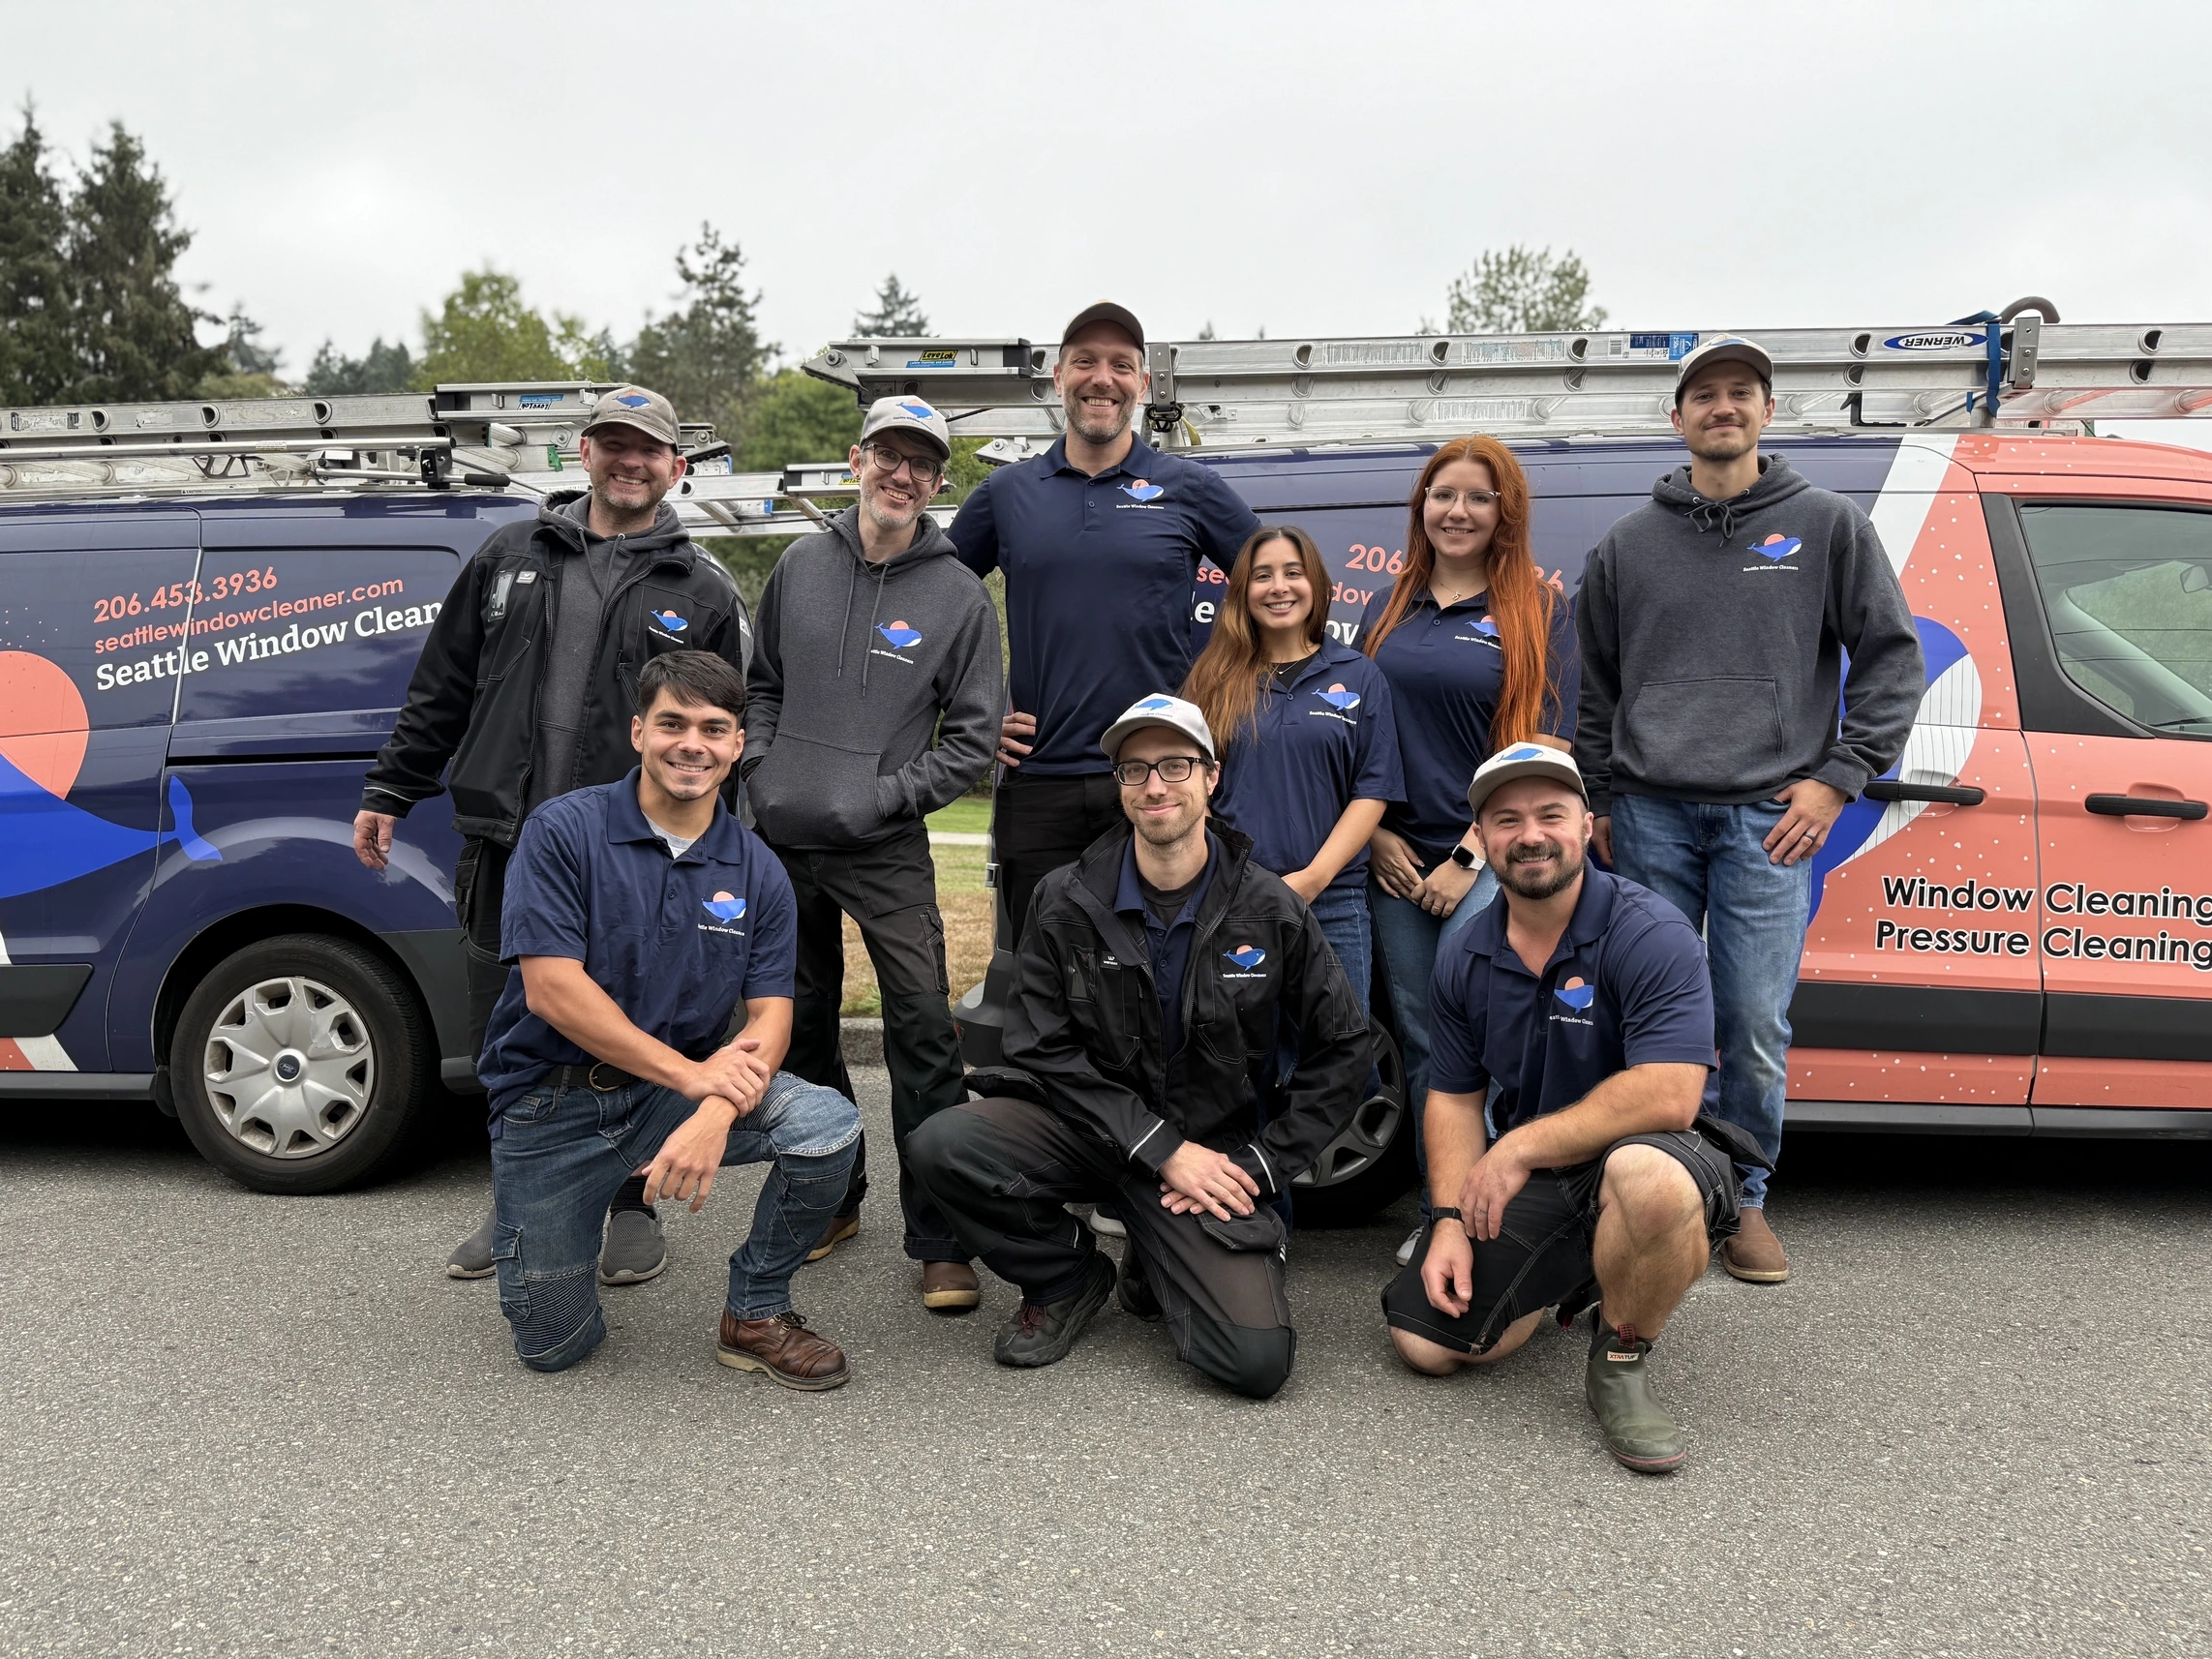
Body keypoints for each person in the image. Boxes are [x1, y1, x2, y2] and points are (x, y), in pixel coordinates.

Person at [354, 384, 752, 1286]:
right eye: (613, 443)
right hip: (509, 842)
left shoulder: (702, 586)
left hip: (633, 855)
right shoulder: (508, 556)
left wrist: (719, 849)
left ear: (675, 468)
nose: (629, 461)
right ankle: (515, 1198)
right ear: (585, 452)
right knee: (506, 1033)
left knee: (636, 1027)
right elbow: (442, 685)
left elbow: (732, 727)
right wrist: (392, 787)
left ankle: (631, 1202)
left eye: (647, 449)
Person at [1574, 336, 1921, 1284]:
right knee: (1648, 1013)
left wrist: (1837, 776)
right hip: (1648, 812)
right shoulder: (1626, 545)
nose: (1721, 407)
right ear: (1676, 417)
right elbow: (1596, 685)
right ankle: (1652, 1183)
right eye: (1703, 394)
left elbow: (1890, 658)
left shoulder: (1826, 524)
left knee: (1753, 1021)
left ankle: (1744, 1197)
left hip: (1768, 821)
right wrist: (1600, 795)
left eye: (1739, 392)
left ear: (1766, 411)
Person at [908, 695, 1370, 1399]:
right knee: (943, 1143)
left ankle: (1155, 1254)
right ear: (1120, 786)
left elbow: (1344, 1050)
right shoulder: (1065, 899)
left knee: (1254, 1362)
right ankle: (1065, 1276)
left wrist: (1260, 1165)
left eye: (1175, 765)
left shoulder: (1270, 907)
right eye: (1135, 769)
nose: (1155, 786)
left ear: (1210, 778)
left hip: (1209, 1156)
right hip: (1089, 1133)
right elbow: (1038, 1046)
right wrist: (1157, 1147)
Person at [475, 649, 861, 1383]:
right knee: (555, 1346)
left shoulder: (757, 870)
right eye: (672, 723)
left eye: (713, 729)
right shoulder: (563, 831)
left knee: (827, 1125)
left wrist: (713, 1109)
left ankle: (755, 1311)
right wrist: (694, 1078)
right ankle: (538, 1213)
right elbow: (552, 990)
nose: (692, 744)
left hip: (670, 1098)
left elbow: (770, 1020)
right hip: (552, 1104)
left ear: (737, 744)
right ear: (638, 732)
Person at [1380, 744, 1762, 1472]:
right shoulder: (1464, 955)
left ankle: (1620, 1356)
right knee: (1427, 1344)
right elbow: (1454, 1098)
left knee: (1648, 1183)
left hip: (1660, 1147)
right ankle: (1582, 1268)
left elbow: (1670, 1091)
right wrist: (1449, 1220)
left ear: (1586, 826)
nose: (1530, 835)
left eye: (1550, 815)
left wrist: (1516, 1148)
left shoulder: (1648, 931)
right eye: (1506, 820)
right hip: (1550, 1170)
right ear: (1481, 838)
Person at [742, 395, 1002, 1311]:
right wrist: (760, 769)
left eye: (921, 464)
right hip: (781, 843)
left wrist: (881, 798)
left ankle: (941, 1237)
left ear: (937, 484)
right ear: (856, 461)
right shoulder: (798, 565)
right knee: (800, 1029)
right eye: (888, 455)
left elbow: (970, 742)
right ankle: (833, 1198)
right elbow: (762, 688)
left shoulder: (958, 595)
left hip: (885, 849)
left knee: (923, 1035)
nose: (902, 475)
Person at [950, 301, 1260, 946]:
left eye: (1121, 365)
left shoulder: (1188, 486)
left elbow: (1280, 588)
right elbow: (932, 602)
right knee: (1044, 976)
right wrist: (969, 716)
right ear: (1057, 376)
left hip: (1157, 780)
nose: (1102, 378)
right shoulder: (1007, 493)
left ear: (1142, 384)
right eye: (1085, 362)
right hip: (1039, 784)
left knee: (1162, 969)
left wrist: (1224, 699)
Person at [1358, 435, 1578, 1262]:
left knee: (1488, 1035)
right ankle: (1441, 1212)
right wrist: (1376, 834)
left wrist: (1467, 856)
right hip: (1391, 859)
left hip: (1487, 859)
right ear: (1421, 505)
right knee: (1424, 1040)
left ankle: (1502, 1217)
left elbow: (1544, 752)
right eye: (1442, 494)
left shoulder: (1539, 611)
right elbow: (1353, 738)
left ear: (1504, 512)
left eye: (1477, 497)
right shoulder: (1386, 608)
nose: (1457, 511)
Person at [1182, 524, 1402, 1018]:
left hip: (1334, 904)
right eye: (1263, 575)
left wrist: (1312, 880)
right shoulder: (1212, 678)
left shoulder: (1359, 675)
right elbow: (1192, 788)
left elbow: (1372, 791)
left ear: (1317, 584)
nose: (1278, 587)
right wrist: (1233, 880)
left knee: (1338, 1048)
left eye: (1293, 572)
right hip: (1233, 901)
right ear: (1243, 592)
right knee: (1245, 1050)